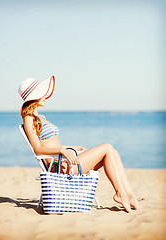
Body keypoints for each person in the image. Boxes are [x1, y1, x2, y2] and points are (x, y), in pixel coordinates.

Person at [18, 76, 140, 213]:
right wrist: (62, 151)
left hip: (64, 162)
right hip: (59, 167)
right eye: (42, 93)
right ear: (34, 97)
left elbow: (50, 143)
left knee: (113, 152)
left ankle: (129, 194)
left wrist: (72, 148)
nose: (45, 96)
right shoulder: (29, 119)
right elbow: (38, 149)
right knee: (107, 147)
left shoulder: (41, 118)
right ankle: (120, 193)